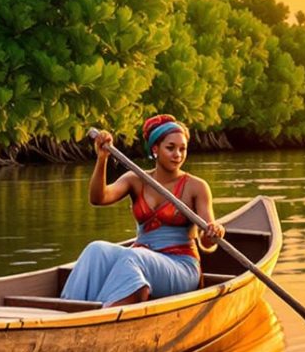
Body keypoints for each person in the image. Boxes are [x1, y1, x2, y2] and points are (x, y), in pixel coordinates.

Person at [63, 114, 224, 305]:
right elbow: (98, 198)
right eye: (170, 148)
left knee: (134, 257)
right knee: (96, 249)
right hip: (142, 255)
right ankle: (68, 311)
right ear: (155, 149)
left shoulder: (196, 186)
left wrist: (214, 231)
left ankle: (104, 315)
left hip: (181, 266)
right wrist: (102, 159)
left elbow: (207, 243)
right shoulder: (136, 179)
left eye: (183, 149)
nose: (178, 155)